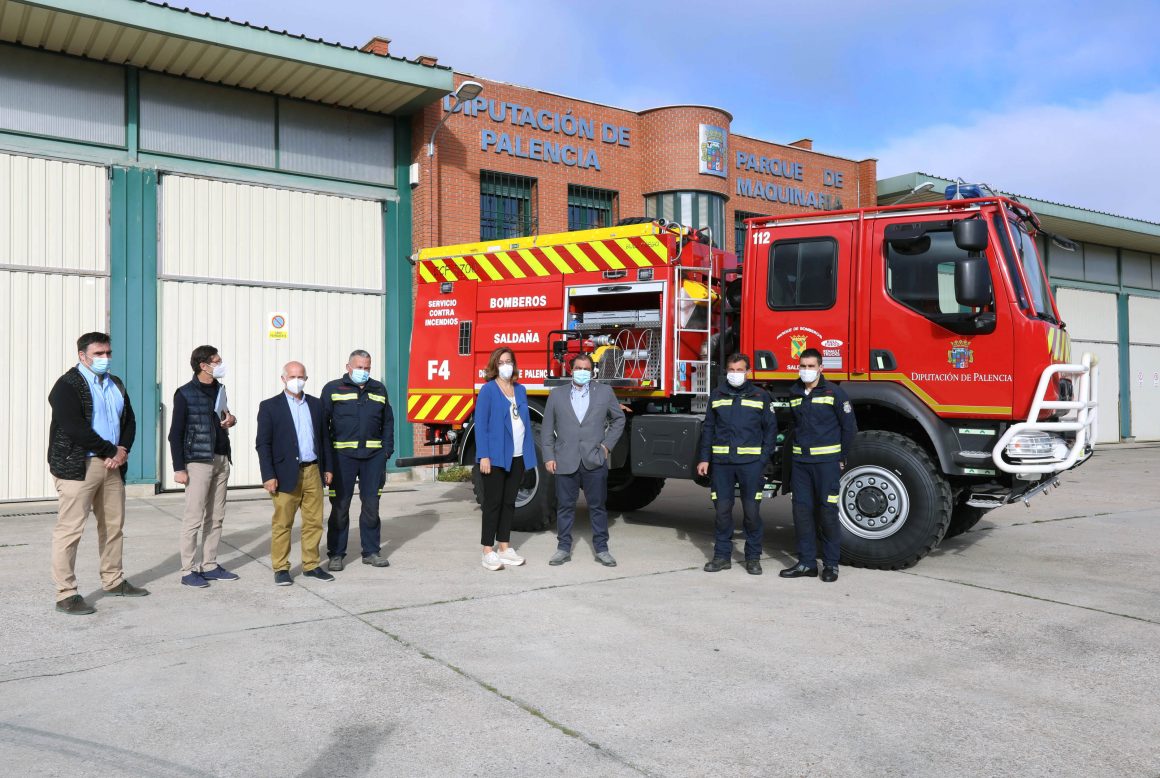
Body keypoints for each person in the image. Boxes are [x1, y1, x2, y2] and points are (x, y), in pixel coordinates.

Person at [47, 332, 149, 614]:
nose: (105, 359)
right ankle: (66, 594)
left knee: (113, 527)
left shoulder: (115, 384)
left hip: (112, 466)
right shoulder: (66, 385)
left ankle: (113, 580)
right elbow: (74, 427)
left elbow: (129, 420)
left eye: (108, 353)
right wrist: (109, 450)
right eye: (99, 354)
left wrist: (123, 448)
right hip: (79, 466)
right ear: (82, 356)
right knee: (70, 531)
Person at [779, 348, 857, 583]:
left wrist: (842, 457)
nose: (806, 370)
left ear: (821, 368)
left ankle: (831, 565)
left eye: (811, 366)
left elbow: (849, 428)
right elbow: (793, 427)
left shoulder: (835, 393)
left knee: (827, 512)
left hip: (826, 464)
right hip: (801, 464)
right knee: (801, 513)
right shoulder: (794, 393)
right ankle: (806, 563)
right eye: (802, 366)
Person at [696, 354, 778, 575]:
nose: (735, 374)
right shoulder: (717, 394)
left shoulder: (761, 396)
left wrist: (763, 459)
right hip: (722, 464)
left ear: (748, 372)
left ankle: (753, 557)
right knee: (722, 511)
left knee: (751, 513)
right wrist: (705, 458)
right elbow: (709, 429)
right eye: (731, 370)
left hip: (751, 465)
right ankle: (722, 556)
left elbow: (771, 431)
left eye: (739, 370)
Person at [541, 353, 626, 567]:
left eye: (586, 369)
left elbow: (619, 419)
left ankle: (602, 549)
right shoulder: (557, 395)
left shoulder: (604, 392)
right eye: (578, 368)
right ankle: (563, 548)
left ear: (592, 371)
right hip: (565, 460)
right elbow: (546, 430)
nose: (582, 372)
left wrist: (607, 446)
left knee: (597, 507)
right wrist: (549, 456)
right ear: (571, 370)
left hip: (594, 460)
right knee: (565, 507)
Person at [256, 361, 335, 586]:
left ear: (306, 379)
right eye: (292, 376)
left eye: (300, 376)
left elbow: (324, 439)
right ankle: (281, 567)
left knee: (314, 522)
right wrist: (268, 475)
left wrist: (328, 468)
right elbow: (263, 444)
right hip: (284, 473)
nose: (296, 380)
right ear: (283, 378)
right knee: (283, 523)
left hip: (312, 470)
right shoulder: (270, 406)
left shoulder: (317, 405)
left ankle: (311, 565)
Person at [169, 345, 238, 588]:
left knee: (216, 516)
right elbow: (174, 434)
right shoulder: (185, 394)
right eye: (217, 361)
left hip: (220, 458)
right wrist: (179, 467)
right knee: (194, 517)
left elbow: (225, 415)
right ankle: (188, 569)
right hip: (198, 462)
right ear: (204, 365)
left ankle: (210, 565)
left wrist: (231, 419)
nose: (221, 364)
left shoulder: (220, 389)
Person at [322, 349, 395, 571]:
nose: (364, 372)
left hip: (373, 458)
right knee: (340, 507)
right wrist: (326, 459)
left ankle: (371, 551)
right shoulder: (333, 389)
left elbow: (388, 422)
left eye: (367, 368)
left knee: (372, 506)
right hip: (342, 458)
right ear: (348, 367)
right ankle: (336, 554)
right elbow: (322, 425)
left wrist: (386, 451)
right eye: (360, 367)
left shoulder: (379, 389)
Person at [474, 347, 536, 571]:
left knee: (509, 503)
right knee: (493, 503)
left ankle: (504, 547)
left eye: (509, 361)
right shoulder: (488, 390)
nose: (506, 366)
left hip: (517, 456)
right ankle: (487, 550)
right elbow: (480, 425)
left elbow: (525, 424)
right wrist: (484, 456)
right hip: (496, 457)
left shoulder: (520, 390)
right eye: (501, 362)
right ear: (494, 366)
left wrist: (529, 455)